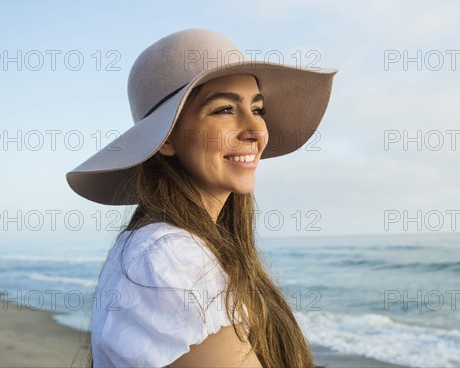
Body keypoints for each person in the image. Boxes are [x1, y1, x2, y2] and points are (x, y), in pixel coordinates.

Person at [66, 29, 338, 368]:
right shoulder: (167, 259)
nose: (256, 131)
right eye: (224, 109)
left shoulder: (176, 246)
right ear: (165, 139)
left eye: (258, 108)